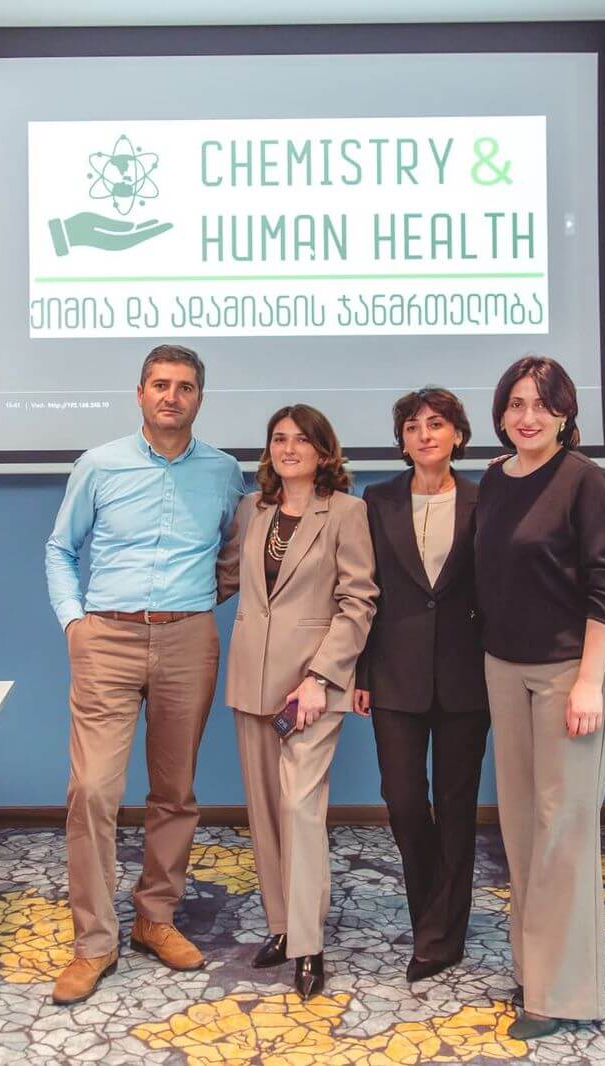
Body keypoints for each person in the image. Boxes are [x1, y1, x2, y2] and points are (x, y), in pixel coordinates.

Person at [43, 344, 244, 1006]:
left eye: (184, 387)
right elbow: (60, 548)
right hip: (107, 638)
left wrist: (195, 605)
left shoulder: (223, 472)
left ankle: (156, 917)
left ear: (199, 398)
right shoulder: (99, 465)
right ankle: (94, 942)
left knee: (175, 791)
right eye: (160, 384)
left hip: (188, 639)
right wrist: (75, 623)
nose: (171, 396)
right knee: (92, 791)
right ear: (140, 394)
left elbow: (234, 553)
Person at [475, 355, 605, 1041]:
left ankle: (562, 995)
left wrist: (590, 681)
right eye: (516, 403)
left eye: (542, 404)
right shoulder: (495, 478)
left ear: (567, 413)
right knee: (520, 827)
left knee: (562, 830)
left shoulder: (584, 480)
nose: (528, 416)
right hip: (504, 668)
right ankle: (533, 969)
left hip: (571, 671)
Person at [221, 404, 377, 998]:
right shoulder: (252, 510)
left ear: (323, 451)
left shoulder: (347, 513)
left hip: (310, 689)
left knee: (300, 811)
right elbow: (227, 578)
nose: (288, 448)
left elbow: (358, 601)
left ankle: (309, 946)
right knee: (265, 813)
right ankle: (283, 926)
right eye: (279, 438)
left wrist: (320, 677)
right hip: (252, 681)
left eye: (302, 440)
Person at [354, 387, 488, 984]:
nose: (424, 435)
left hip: (468, 676)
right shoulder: (377, 500)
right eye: (412, 426)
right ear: (402, 440)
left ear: (458, 434)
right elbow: (365, 592)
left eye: (436, 424)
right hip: (393, 673)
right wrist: (361, 672)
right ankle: (435, 910)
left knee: (457, 806)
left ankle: (439, 935)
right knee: (405, 801)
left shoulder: (486, 500)